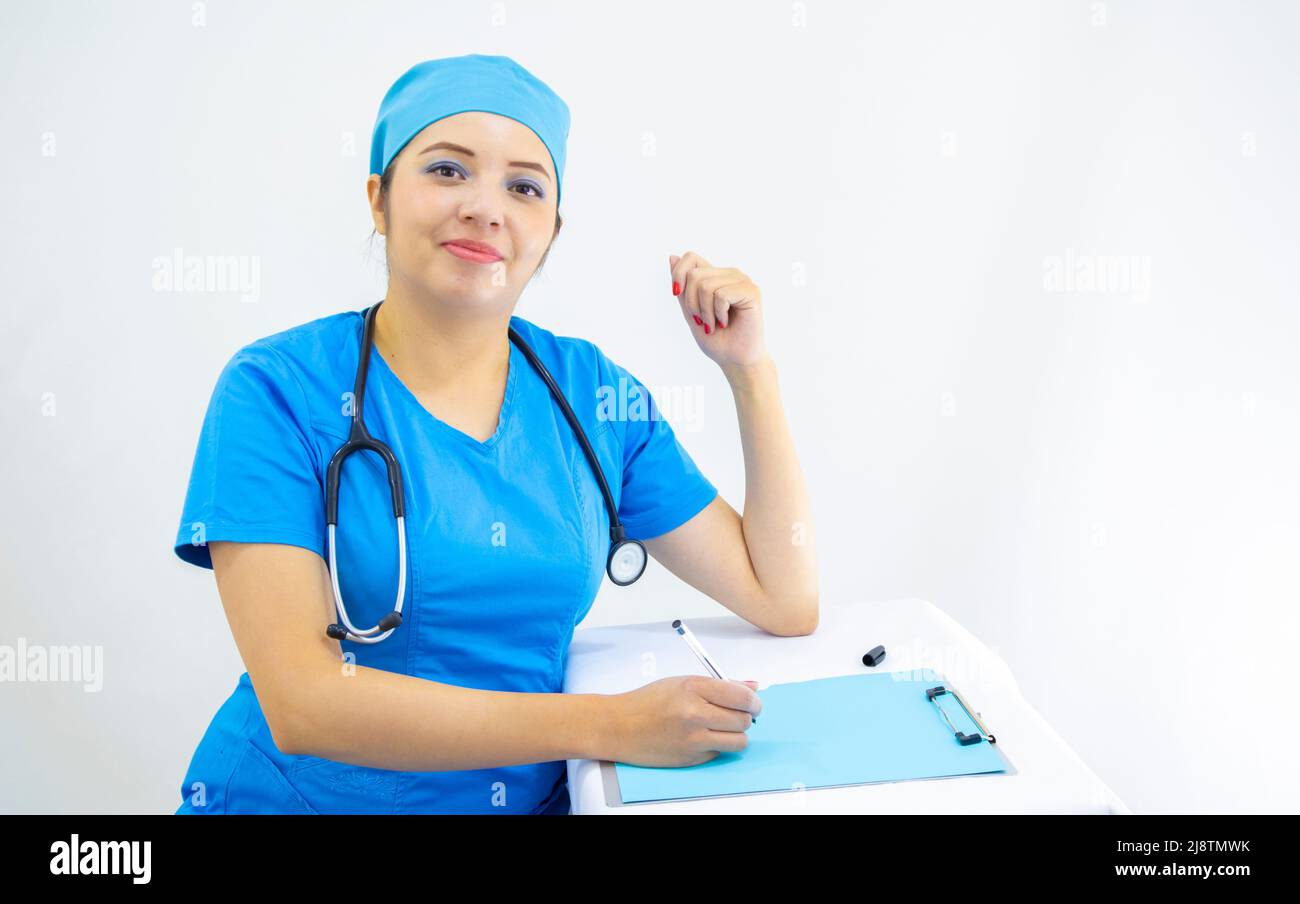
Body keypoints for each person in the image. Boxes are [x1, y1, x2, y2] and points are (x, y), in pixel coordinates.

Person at [172, 53, 818, 815]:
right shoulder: (277, 389)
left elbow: (784, 598)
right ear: (378, 200)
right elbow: (305, 702)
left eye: (524, 187)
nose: (487, 208)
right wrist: (612, 725)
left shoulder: (591, 396)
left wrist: (750, 371)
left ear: (551, 229)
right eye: (448, 171)